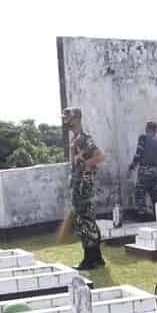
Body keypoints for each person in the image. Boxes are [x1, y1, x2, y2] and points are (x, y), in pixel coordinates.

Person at [62, 107, 105, 270]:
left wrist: (85, 167)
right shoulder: (75, 138)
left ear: (76, 119)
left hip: (83, 185)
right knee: (88, 220)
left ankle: (89, 259)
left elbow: (99, 157)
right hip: (79, 183)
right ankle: (97, 257)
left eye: (67, 118)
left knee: (83, 220)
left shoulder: (83, 138)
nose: (65, 121)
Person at [128, 121, 157, 219]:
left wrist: (132, 166)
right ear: (155, 130)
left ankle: (143, 215)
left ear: (146, 129)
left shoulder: (143, 138)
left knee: (140, 192)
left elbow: (139, 152)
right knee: (155, 194)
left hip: (145, 169)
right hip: (155, 171)